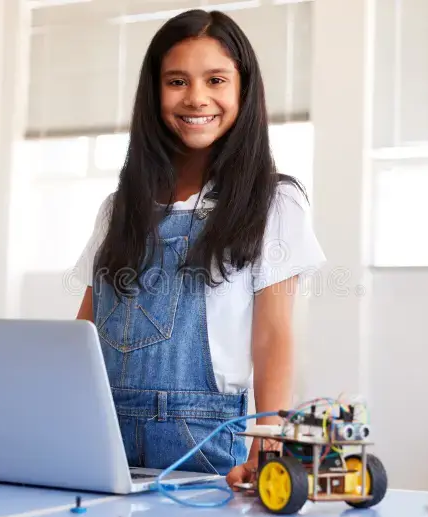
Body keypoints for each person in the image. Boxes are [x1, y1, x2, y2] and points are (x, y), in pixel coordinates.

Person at [74, 8, 325, 489]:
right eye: (176, 81)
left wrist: (269, 437)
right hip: (104, 439)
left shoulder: (274, 202)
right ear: (154, 92)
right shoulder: (117, 208)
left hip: (208, 446)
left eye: (215, 79)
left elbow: (273, 336)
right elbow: (84, 334)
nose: (197, 98)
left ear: (243, 90)